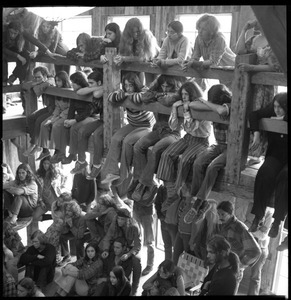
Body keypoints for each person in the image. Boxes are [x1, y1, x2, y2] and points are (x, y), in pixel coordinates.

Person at [156, 80, 211, 206]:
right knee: (166, 154)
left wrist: (186, 110)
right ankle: (171, 192)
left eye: (187, 94)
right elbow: (173, 126)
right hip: (187, 138)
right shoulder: (182, 105)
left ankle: (177, 190)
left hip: (200, 140)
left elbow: (191, 127)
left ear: (193, 94)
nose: (184, 97)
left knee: (184, 159)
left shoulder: (199, 106)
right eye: (183, 95)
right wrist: (175, 108)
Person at [130, 74, 184, 202]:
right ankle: (139, 180)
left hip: (172, 133)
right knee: (138, 146)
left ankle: (145, 184)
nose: (165, 88)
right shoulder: (159, 92)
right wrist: (157, 92)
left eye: (168, 86)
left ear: (174, 85)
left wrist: (158, 96)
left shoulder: (178, 95)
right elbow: (144, 97)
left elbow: (168, 101)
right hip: (157, 129)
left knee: (155, 149)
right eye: (162, 85)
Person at [235, 19, 283, 161]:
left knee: (261, 113)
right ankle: (248, 150)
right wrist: (244, 30)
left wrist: (252, 68)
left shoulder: (274, 41)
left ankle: (257, 153)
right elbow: (239, 51)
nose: (256, 23)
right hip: (250, 84)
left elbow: (274, 67)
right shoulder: (254, 38)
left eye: (259, 20)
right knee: (248, 114)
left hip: (265, 84)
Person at [184, 84, 232, 223]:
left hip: (231, 148)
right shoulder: (212, 107)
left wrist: (206, 102)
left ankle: (198, 203)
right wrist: (205, 102)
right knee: (198, 163)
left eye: (212, 100)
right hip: (218, 145)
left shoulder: (230, 105)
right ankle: (196, 201)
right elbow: (193, 105)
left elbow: (222, 111)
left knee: (213, 167)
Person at [100, 72, 156, 186]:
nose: (128, 88)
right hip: (132, 124)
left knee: (127, 141)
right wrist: (124, 94)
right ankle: (113, 171)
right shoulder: (124, 92)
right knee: (115, 138)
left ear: (136, 84)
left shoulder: (144, 90)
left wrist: (126, 95)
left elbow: (139, 98)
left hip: (145, 126)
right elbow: (111, 97)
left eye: (130, 85)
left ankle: (124, 173)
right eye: (125, 85)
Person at [248, 93, 287, 235]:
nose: (276, 110)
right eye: (275, 106)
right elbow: (253, 115)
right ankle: (258, 216)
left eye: (281, 108)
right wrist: (257, 135)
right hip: (275, 154)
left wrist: (281, 119)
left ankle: (277, 221)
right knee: (264, 173)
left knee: (285, 178)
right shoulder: (273, 110)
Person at [215, 201, 261, 293]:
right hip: (222, 266)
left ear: (231, 213)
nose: (220, 217)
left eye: (223, 214)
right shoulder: (223, 226)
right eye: (218, 214)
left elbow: (255, 251)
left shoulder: (240, 228)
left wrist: (240, 265)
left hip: (233, 271)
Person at [181, 14, 236, 90]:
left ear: (211, 31)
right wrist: (189, 62)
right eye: (199, 28)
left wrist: (194, 63)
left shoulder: (219, 39)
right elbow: (195, 56)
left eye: (204, 29)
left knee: (230, 93)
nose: (199, 31)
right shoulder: (199, 38)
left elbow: (213, 62)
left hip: (231, 68)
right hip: (219, 69)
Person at [69, 69, 104, 175]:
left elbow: (97, 97)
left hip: (109, 122)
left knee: (97, 135)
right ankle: (82, 161)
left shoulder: (105, 91)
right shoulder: (96, 91)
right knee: (82, 130)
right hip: (101, 120)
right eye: (88, 83)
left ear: (99, 82)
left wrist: (99, 89)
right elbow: (93, 108)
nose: (89, 85)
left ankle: (97, 165)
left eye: (91, 83)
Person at [101, 208, 142, 296]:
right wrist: (106, 250)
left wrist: (128, 254)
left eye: (122, 219)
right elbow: (107, 237)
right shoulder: (115, 221)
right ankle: (108, 282)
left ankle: (134, 289)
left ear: (127, 219)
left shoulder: (134, 227)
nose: (119, 221)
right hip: (119, 244)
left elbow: (137, 246)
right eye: (118, 218)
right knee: (105, 253)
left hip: (131, 248)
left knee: (136, 262)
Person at [27, 155, 67, 245]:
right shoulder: (38, 175)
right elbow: (37, 189)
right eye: (44, 163)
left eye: (48, 163)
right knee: (35, 216)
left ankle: (59, 249)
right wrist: (40, 201)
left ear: (51, 164)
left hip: (55, 201)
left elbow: (66, 177)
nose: (46, 165)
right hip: (44, 201)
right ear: (42, 164)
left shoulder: (56, 172)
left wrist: (62, 187)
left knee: (59, 225)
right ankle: (51, 217)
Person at [37, 71, 71, 162]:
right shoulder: (57, 90)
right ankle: (45, 149)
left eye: (59, 81)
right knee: (44, 124)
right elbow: (57, 107)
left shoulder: (70, 90)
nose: (57, 83)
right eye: (56, 81)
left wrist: (57, 118)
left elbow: (70, 108)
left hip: (67, 114)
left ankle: (58, 151)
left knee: (55, 125)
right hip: (58, 113)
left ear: (64, 81)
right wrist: (53, 117)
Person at [61, 71, 94, 165]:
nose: (72, 84)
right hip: (80, 117)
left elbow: (89, 111)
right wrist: (68, 119)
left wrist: (75, 120)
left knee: (75, 128)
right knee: (65, 126)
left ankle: (73, 155)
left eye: (74, 83)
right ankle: (68, 152)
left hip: (91, 116)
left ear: (80, 82)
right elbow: (72, 108)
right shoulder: (74, 92)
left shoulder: (87, 92)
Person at [114, 17, 160, 85]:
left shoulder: (146, 35)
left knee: (152, 84)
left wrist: (124, 58)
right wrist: (119, 58)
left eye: (137, 32)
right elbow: (122, 53)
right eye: (133, 32)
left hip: (153, 60)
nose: (135, 34)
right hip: (139, 63)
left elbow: (143, 58)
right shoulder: (125, 37)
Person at [23, 66, 56, 153]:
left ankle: (35, 144)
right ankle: (34, 142)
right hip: (48, 108)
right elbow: (25, 86)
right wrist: (38, 82)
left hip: (55, 109)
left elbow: (38, 90)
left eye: (39, 77)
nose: (37, 79)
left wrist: (36, 84)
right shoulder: (42, 81)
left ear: (45, 75)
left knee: (39, 121)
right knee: (30, 118)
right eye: (35, 77)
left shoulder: (51, 81)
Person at [248, 207, 273, 295]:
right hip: (249, 246)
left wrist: (248, 233)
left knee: (255, 277)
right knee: (238, 269)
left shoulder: (270, 214)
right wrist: (259, 229)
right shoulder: (255, 210)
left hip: (261, 249)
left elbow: (262, 235)